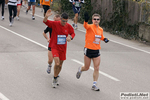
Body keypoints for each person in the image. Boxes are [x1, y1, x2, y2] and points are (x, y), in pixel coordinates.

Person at [76, 12, 109, 91]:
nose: (96, 21)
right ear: (92, 20)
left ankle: (94, 84)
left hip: (96, 50)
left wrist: (104, 39)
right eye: (95, 19)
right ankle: (80, 69)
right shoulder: (90, 27)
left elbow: (101, 36)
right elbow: (85, 26)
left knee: (96, 68)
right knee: (86, 67)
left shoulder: (100, 29)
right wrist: (86, 20)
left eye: (97, 19)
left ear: (99, 20)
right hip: (88, 49)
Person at [43, 9, 75, 88]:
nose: (64, 23)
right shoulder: (55, 24)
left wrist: (70, 37)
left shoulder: (68, 26)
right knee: (56, 63)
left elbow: (73, 33)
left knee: (60, 65)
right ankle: (54, 78)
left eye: (66, 21)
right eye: (63, 21)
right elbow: (45, 22)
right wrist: (46, 16)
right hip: (54, 46)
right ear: (61, 19)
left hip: (63, 48)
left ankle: (56, 76)